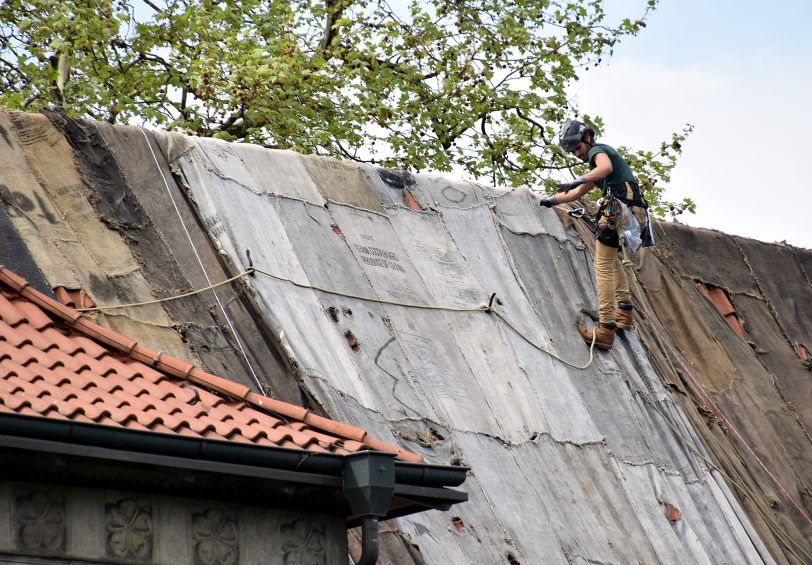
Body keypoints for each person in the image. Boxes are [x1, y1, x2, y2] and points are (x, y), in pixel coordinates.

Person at [535, 119, 652, 350]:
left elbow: (604, 168)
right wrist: (552, 200)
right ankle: (624, 313)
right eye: (573, 151)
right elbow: (577, 192)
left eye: (577, 148)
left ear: (587, 138)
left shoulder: (599, 151)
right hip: (629, 211)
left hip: (620, 209)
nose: (577, 154)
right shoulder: (595, 170)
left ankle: (605, 329)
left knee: (602, 266)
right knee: (610, 260)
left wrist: (579, 178)